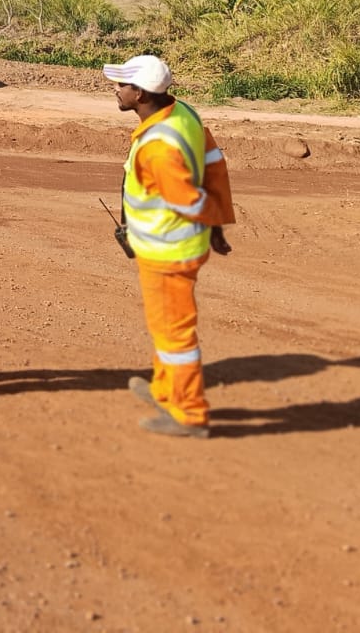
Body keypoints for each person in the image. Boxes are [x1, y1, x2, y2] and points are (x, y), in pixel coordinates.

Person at [104, 55, 234, 439]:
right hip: (178, 245)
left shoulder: (159, 146)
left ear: (139, 93)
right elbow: (214, 165)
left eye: (121, 85)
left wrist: (212, 221)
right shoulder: (183, 114)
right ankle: (164, 389)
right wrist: (217, 225)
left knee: (175, 334)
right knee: (163, 326)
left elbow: (187, 201)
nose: (116, 89)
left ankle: (189, 413)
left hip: (167, 252)